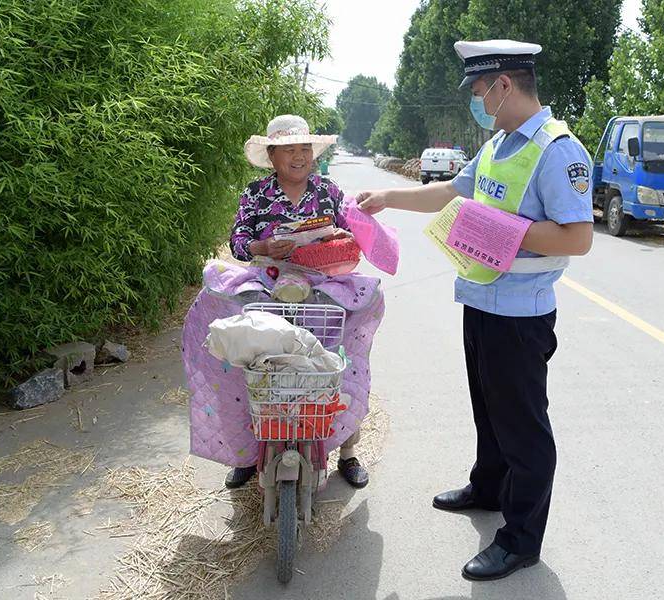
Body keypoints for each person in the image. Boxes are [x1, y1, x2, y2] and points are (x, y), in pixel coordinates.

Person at [357, 40, 593, 581]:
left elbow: (577, 237)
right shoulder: (498, 146)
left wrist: (499, 230)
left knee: (523, 426)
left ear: (505, 85)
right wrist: (388, 198)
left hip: (521, 313)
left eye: (481, 91)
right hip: (481, 299)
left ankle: (520, 539)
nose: (478, 102)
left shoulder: (557, 150)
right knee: (488, 408)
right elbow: (451, 193)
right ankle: (488, 488)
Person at [188, 114, 378, 490]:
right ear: (272, 156)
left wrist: (337, 236)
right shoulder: (255, 193)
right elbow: (239, 242)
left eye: (304, 149)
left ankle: (348, 452)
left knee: (343, 360)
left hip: (323, 285)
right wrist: (262, 246)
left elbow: (353, 239)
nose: (299, 156)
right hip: (267, 283)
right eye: (289, 149)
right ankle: (246, 454)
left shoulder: (329, 191)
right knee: (252, 365)